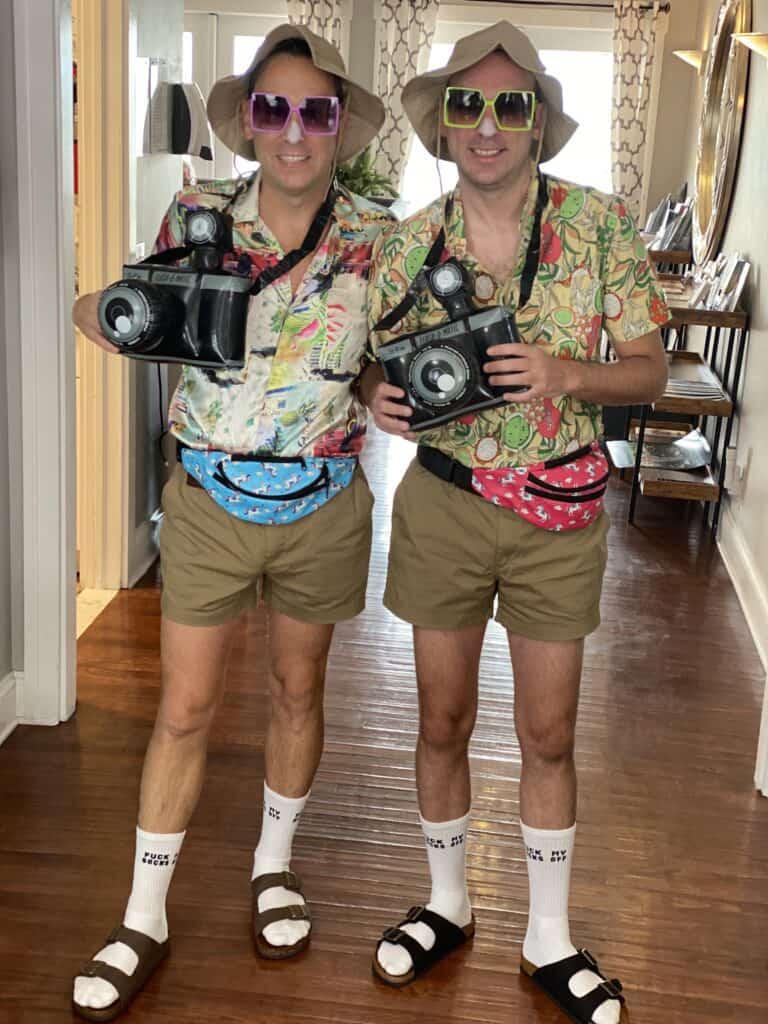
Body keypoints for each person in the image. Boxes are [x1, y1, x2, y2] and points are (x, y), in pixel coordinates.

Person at [71, 24, 393, 1022]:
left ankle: (272, 867)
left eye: (316, 111)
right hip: (209, 499)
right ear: (249, 124)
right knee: (184, 708)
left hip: (325, 504)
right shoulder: (196, 213)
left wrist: (387, 392)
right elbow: (127, 313)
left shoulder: (379, 236)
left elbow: (383, 359)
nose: (293, 131)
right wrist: (117, 312)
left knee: (298, 691)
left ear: (339, 129)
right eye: (273, 108)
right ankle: (144, 913)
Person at [361, 21, 670, 1024]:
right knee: (440, 720)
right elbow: (371, 358)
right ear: (443, 127)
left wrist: (564, 371)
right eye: (466, 104)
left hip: (559, 508)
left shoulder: (601, 227)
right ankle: (448, 903)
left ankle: (549, 934)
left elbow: (650, 367)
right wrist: (376, 394)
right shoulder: (409, 244)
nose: (486, 125)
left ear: (538, 123)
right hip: (443, 499)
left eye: (509, 104)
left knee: (547, 733)